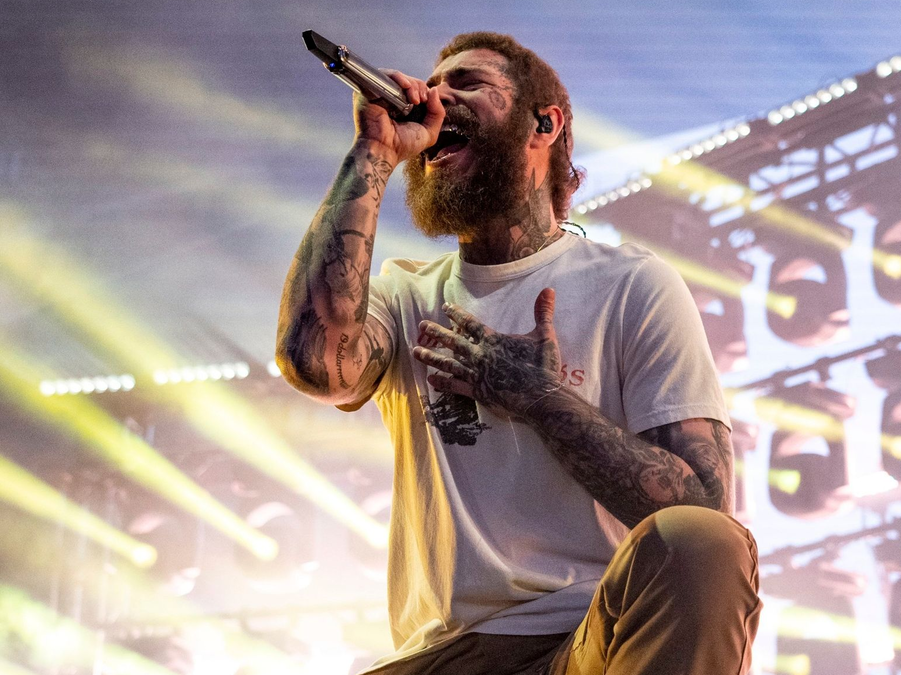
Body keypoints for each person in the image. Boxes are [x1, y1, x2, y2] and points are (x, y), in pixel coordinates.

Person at [276, 31, 761, 675]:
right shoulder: (404, 292)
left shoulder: (632, 284)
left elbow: (699, 507)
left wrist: (539, 398)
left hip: (583, 643)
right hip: (437, 657)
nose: (438, 100)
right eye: (433, 86)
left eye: (467, 84)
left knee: (702, 545)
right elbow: (315, 360)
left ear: (544, 121)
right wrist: (374, 150)